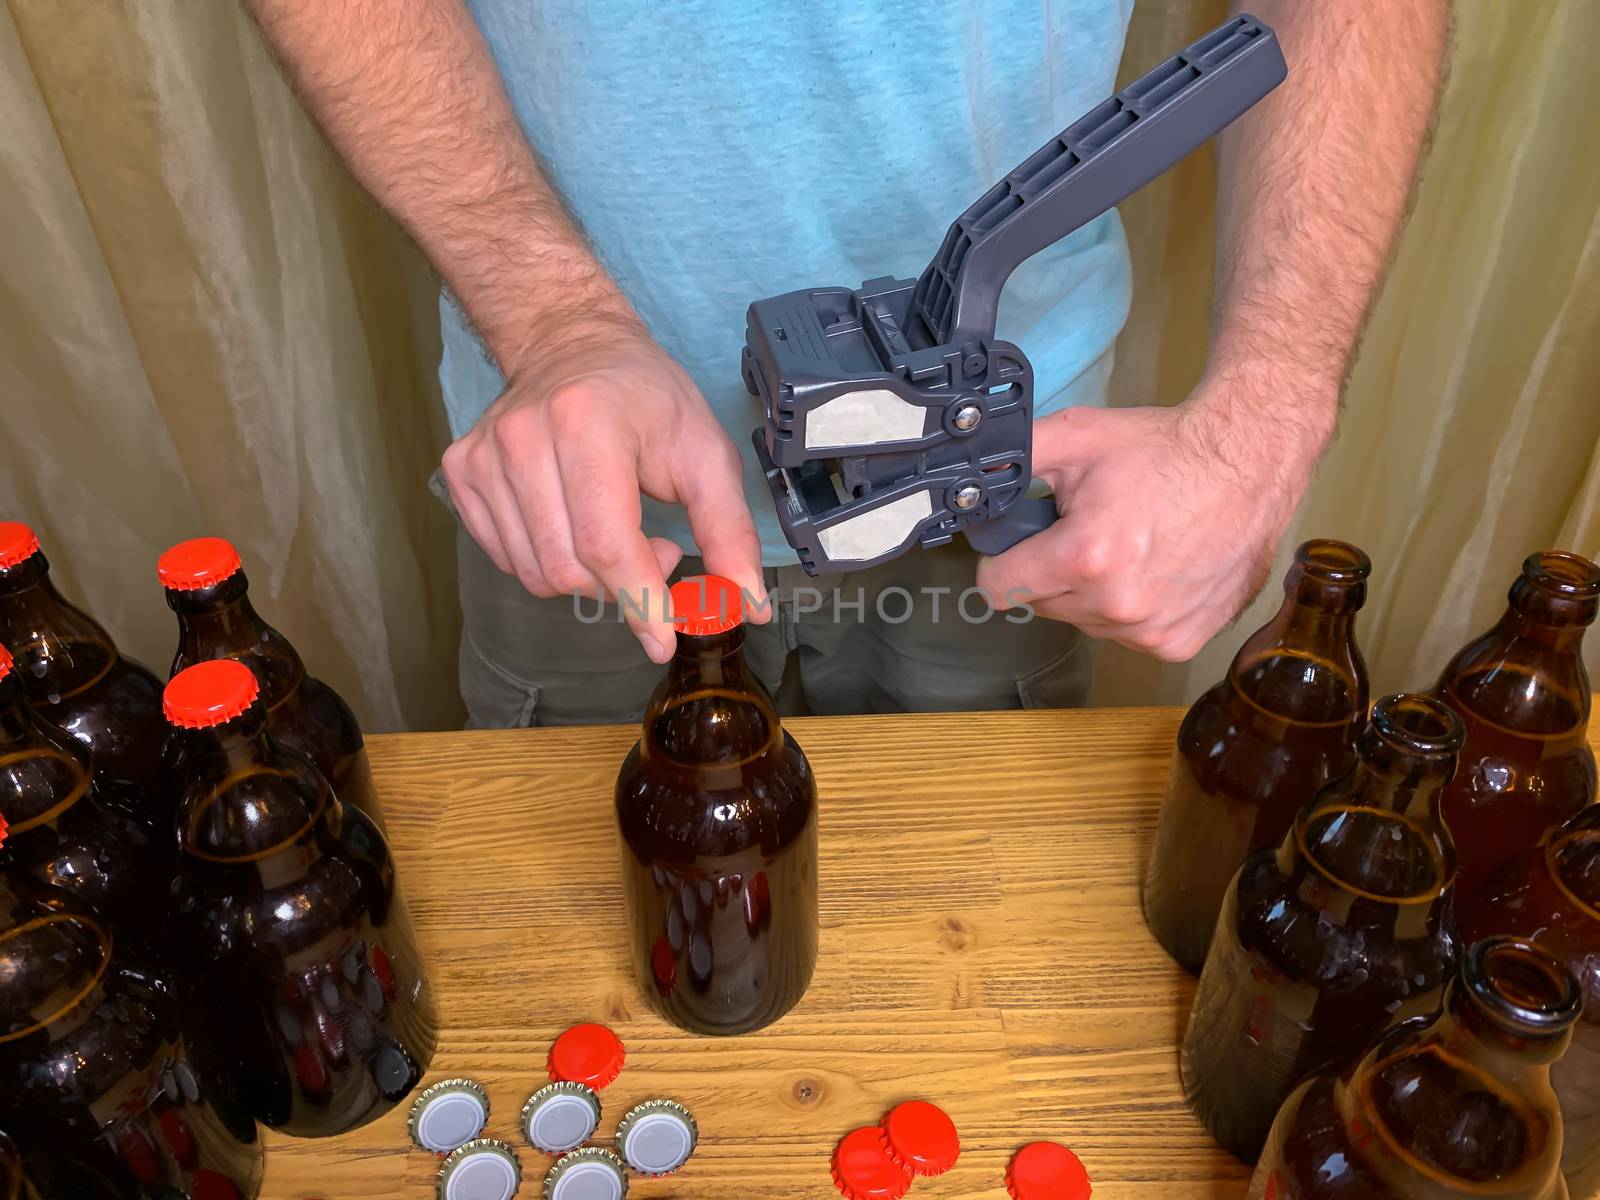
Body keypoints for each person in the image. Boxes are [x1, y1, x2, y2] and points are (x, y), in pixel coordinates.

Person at [246, 0, 1448, 726]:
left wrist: (1261, 420)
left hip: (1008, 496)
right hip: (582, 471)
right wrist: (551, 316)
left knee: (964, 897)